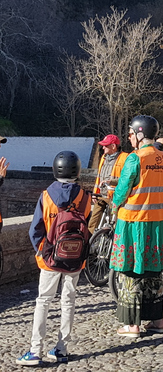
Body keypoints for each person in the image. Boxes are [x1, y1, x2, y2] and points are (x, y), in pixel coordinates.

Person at [16, 151, 91, 366]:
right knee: (68, 301)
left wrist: (41, 250)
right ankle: (61, 348)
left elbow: (35, 230)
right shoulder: (84, 197)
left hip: (50, 257)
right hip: (75, 258)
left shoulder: (46, 195)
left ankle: (35, 351)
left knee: (43, 301)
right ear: (77, 170)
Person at [110, 115, 163, 338]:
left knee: (131, 272)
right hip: (159, 225)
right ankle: (158, 320)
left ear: (139, 133)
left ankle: (132, 325)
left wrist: (114, 204)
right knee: (153, 273)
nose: (128, 137)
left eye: (130, 133)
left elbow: (123, 189)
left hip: (135, 224)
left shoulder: (136, 158)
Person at [90, 134, 129, 235]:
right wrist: (95, 192)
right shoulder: (104, 157)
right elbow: (99, 176)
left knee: (114, 223)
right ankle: (89, 244)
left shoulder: (125, 158)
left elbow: (126, 178)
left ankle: (112, 243)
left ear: (113, 146)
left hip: (115, 197)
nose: (103, 148)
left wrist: (111, 183)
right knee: (92, 222)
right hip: (101, 195)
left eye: (105, 145)